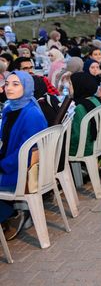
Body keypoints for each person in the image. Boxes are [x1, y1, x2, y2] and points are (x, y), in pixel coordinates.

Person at [0, 72, 48, 240]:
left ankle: (9, 215)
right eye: (7, 84)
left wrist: (2, 164)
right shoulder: (10, 108)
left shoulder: (31, 114)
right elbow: (4, 140)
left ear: (27, 87)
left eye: (16, 84)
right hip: (13, 163)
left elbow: (27, 154)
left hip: (21, 171)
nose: (9, 88)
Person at [69, 72, 101, 157]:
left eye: (70, 84)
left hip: (84, 148)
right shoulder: (95, 100)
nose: (68, 87)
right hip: (97, 142)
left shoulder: (79, 107)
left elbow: (76, 136)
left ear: (78, 87)